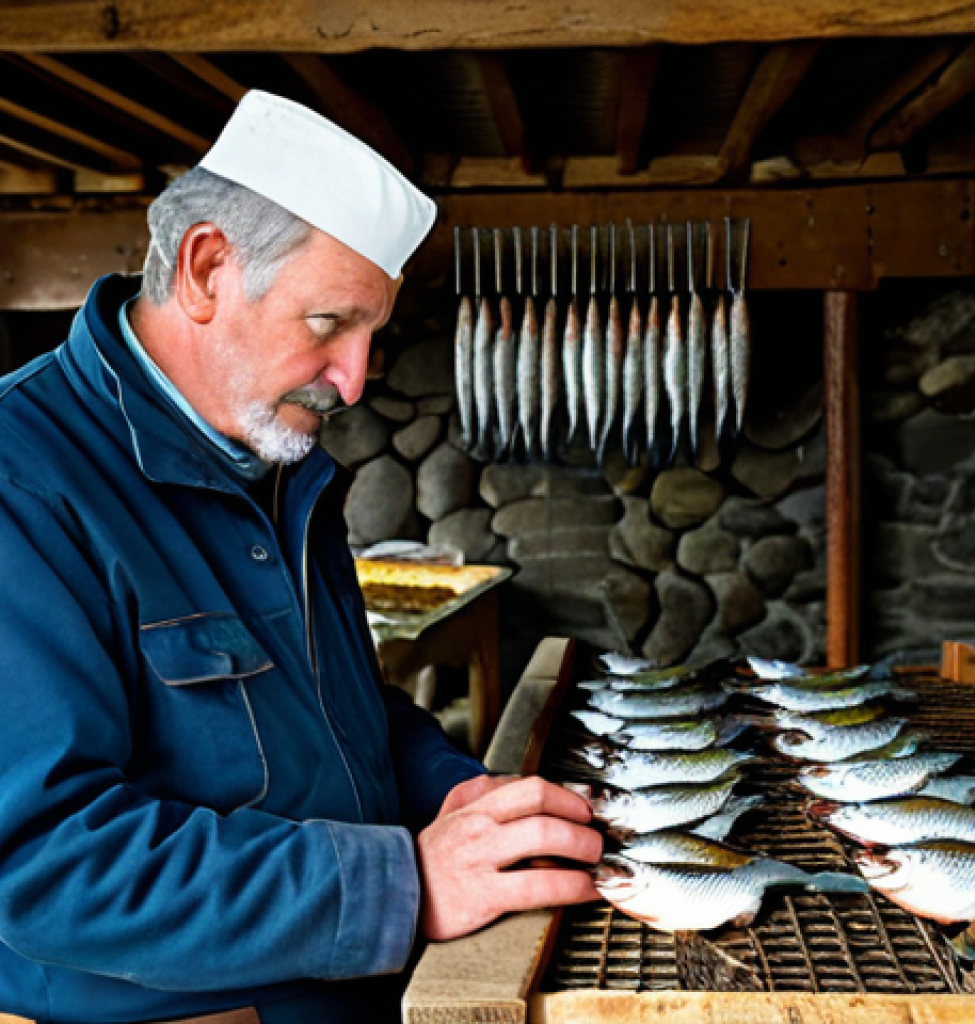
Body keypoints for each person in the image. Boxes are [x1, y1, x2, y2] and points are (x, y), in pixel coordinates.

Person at [0, 90, 601, 1024]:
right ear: (207, 269)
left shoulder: (275, 460)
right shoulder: (20, 481)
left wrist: (466, 799)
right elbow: (42, 863)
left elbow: (340, 712)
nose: (354, 380)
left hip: (358, 989)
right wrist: (402, 883)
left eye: (371, 335)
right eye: (329, 325)